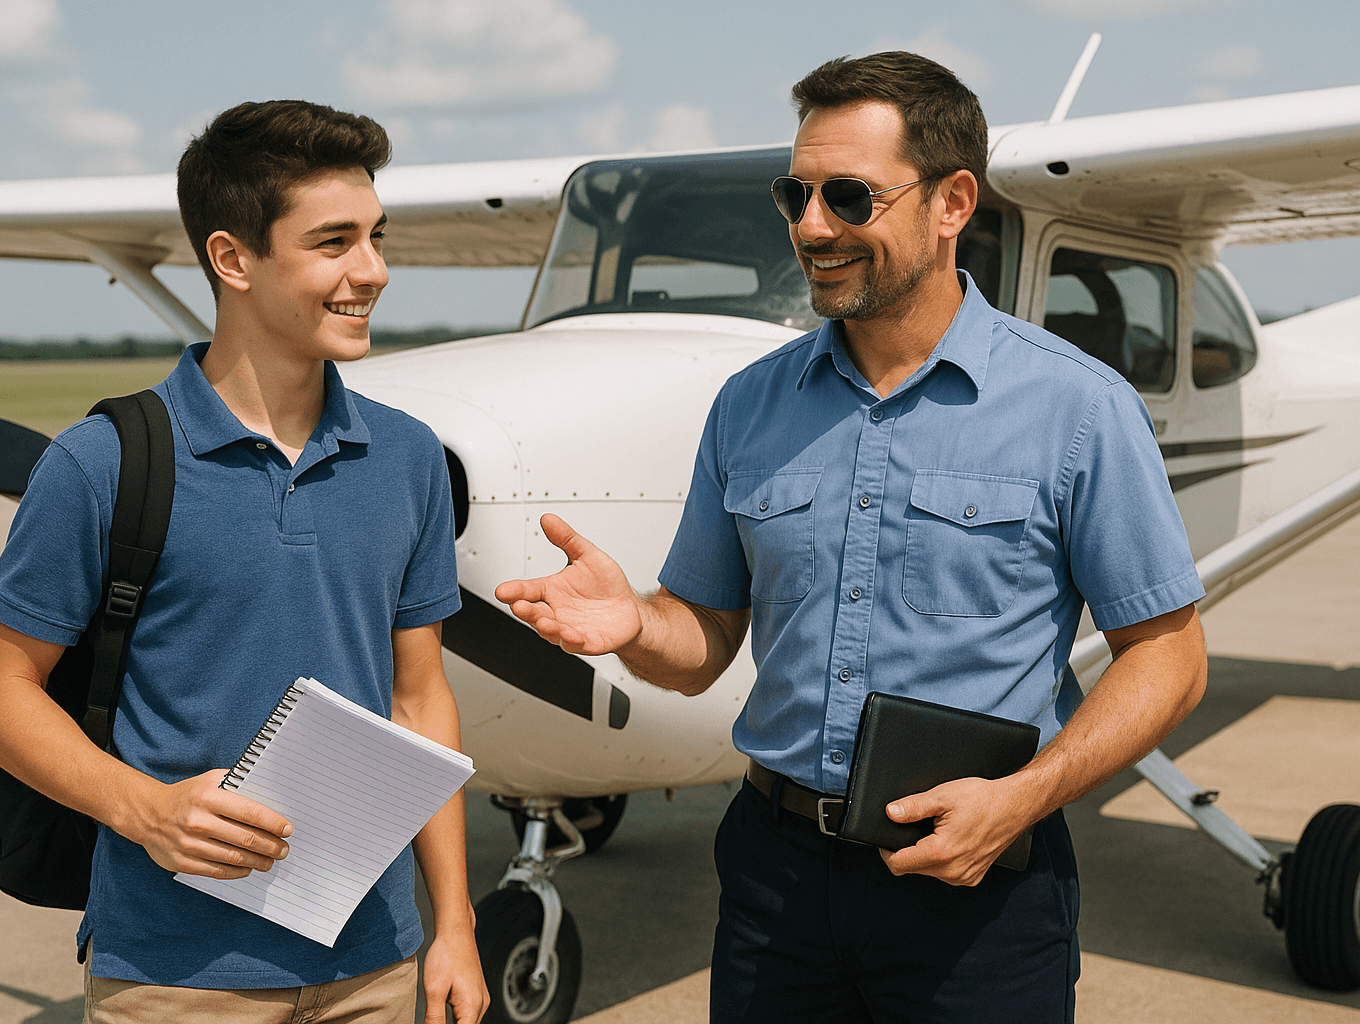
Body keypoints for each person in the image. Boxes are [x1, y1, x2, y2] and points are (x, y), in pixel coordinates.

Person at [495, 52, 1208, 1022]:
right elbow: (704, 641)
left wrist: (1023, 797)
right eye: (795, 195)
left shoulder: (1078, 407)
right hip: (776, 878)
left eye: (849, 196)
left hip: (979, 886)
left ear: (952, 203)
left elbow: (1169, 658)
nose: (811, 226)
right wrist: (634, 624)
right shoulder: (748, 405)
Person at [0, 100, 487, 1024]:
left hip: (375, 963)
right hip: (174, 976)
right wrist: (144, 809)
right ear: (232, 259)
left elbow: (418, 700)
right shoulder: (99, 463)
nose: (373, 269)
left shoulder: (410, 458)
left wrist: (455, 923)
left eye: (376, 237)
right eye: (333, 242)